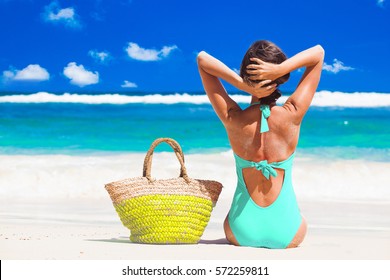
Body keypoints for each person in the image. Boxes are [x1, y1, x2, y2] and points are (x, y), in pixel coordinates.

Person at [197, 40, 324, 249]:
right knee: (300, 220)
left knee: (233, 221)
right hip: (288, 231)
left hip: (241, 230)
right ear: (279, 78)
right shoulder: (292, 114)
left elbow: (202, 59)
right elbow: (318, 53)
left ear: (245, 75)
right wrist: (280, 69)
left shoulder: (233, 118)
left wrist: (240, 83)